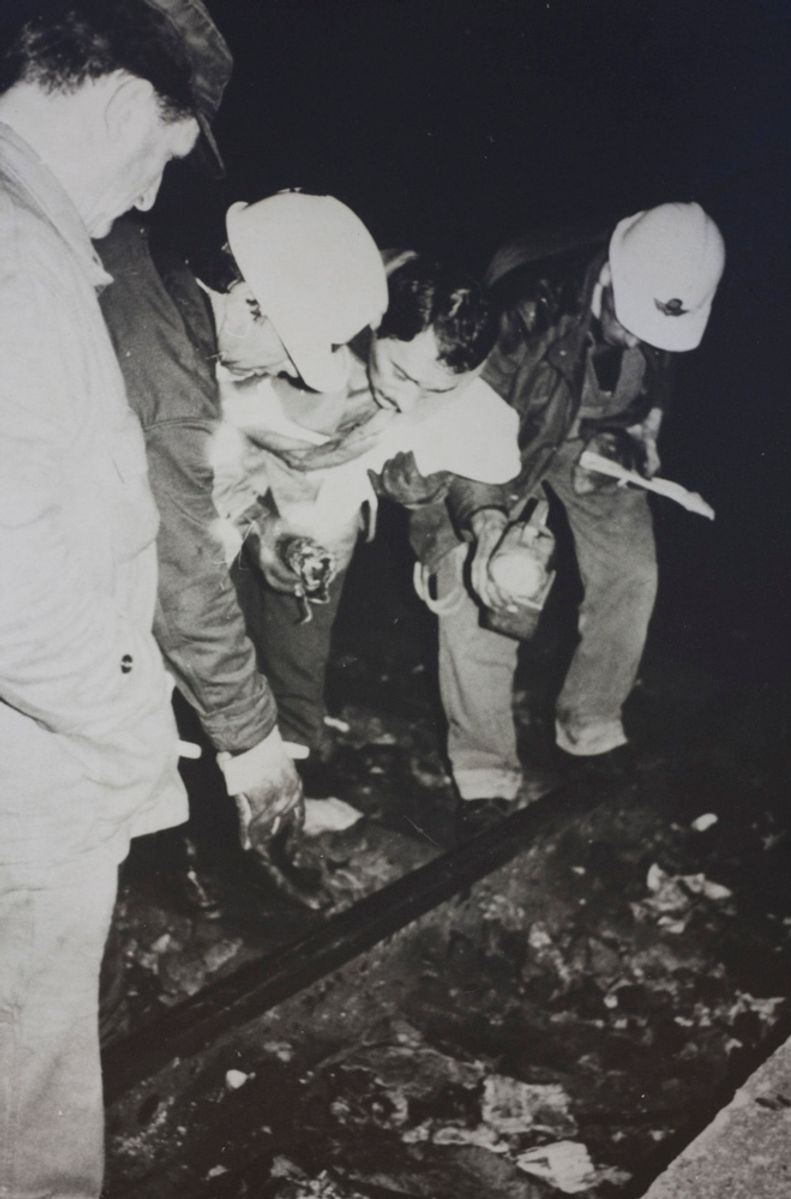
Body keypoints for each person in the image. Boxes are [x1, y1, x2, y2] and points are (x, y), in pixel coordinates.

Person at [0, 1, 232, 1195]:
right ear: (124, 104)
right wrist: (137, 721)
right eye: (161, 157)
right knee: (29, 1091)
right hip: (30, 771)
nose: (148, 195)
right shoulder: (20, 261)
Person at [96, 191, 389, 900]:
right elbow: (182, 577)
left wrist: (261, 525)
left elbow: (197, 480)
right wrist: (255, 745)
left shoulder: (147, 264)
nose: (287, 371)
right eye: (292, 350)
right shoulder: (170, 377)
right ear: (252, 301)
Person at [401, 203, 725, 831]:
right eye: (630, 323)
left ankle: (590, 725)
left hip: (593, 435)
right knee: (482, 587)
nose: (639, 341)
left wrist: (636, 434)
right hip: (501, 430)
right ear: (610, 274)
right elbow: (462, 427)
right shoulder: (522, 305)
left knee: (633, 570)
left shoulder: (671, 290)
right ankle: (485, 770)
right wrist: (487, 526)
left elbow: (656, 379)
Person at [219, 251, 520, 787]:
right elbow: (197, 412)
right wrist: (253, 514)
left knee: (300, 648)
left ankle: (289, 778)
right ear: (376, 322)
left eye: (434, 390)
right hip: (221, 470)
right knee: (208, 632)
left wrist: (487, 520)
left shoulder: (452, 377)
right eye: (400, 373)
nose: (407, 400)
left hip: (321, 509)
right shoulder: (308, 313)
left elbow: (475, 454)